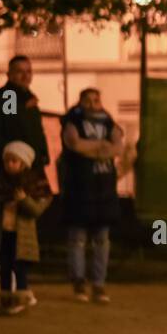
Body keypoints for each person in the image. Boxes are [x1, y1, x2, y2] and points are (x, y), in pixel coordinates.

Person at [60, 88, 123, 303]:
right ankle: (78, 283)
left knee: (102, 240)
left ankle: (99, 284)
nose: (92, 103)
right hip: (80, 188)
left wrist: (92, 150)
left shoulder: (108, 121)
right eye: (87, 100)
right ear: (80, 102)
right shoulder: (72, 121)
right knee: (77, 239)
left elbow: (118, 148)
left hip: (104, 189)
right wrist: (101, 146)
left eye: (96, 99)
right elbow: (75, 144)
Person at [0, 140, 52, 315]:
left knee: (19, 268)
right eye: (7, 160)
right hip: (4, 233)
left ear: (24, 163)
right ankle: (5, 300)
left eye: (14, 161)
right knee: (4, 268)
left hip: (21, 236)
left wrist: (23, 200)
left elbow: (37, 210)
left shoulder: (32, 185)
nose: (10, 164)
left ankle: (21, 299)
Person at [0, 56, 50, 168]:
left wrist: (43, 153)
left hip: (32, 165)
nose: (26, 76)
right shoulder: (6, 97)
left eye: (28, 71)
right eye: (19, 72)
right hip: (10, 168)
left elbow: (36, 130)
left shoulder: (28, 98)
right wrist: (12, 153)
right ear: (9, 75)